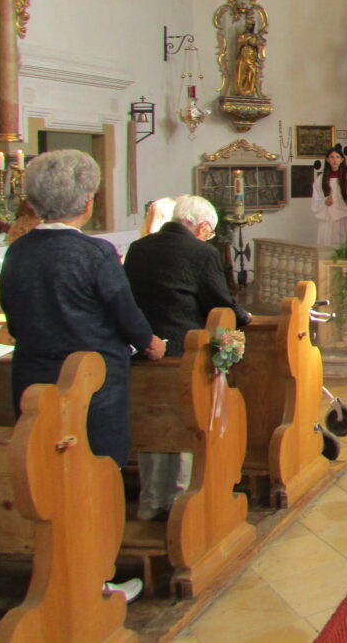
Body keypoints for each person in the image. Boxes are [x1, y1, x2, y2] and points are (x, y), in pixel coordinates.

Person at [0, 151, 165, 602]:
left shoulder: (17, 251)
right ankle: (94, 580)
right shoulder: (93, 251)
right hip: (94, 384)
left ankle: (57, 573)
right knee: (96, 477)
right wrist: (150, 343)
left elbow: (13, 322)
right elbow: (124, 312)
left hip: (34, 378)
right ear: (87, 201)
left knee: (49, 478)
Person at [123, 194, 251, 520]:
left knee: (154, 425)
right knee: (186, 426)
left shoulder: (139, 249)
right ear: (203, 226)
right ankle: (182, 505)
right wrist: (244, 318)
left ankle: (151, 502)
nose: (209, 237)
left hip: (144, 351)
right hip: (185, 350)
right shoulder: (201, 253)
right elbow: (219, 303)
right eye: (209, 232)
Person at [311, 145, 347, 247]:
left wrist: (338, 203)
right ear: (327, 159)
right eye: (331, 157)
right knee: (327, 245)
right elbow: (316, 198)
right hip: (327, 218)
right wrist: (324, 201)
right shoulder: (321, 178)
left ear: (342, 160)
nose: (334, 160)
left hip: (343, 217)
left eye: (337, 157)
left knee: (344, 244)